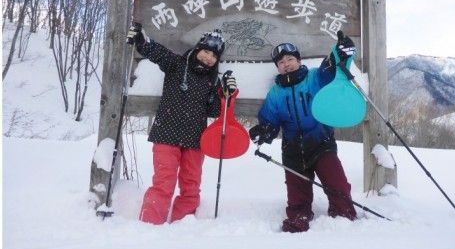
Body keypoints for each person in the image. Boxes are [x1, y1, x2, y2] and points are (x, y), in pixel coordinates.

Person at [127, 26, 238, 225]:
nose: (208, 57)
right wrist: (141, 41)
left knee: (191, 186)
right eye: (206, 51)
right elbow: (158, 53)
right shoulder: (177, 64)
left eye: (214, 55)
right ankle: (149, 226)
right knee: (163, 183)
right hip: (166, 135)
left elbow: (214, 111)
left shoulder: (212, 81)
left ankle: (182, 228)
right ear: (197, 49)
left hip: (195, 140)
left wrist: (225, 92)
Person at [249, 33, 358, 233]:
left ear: (298, 60)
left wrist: (339, 53)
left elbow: (330, 68)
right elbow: (270, 118)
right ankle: (299, 217)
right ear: (278, 67)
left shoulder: (315, 77)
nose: (286, 64)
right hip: (292, 151)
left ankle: (343, 216)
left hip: (321, 143)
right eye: (281, 62)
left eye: (290, 59)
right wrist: (265, 130)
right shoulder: (275, 93)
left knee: (337, 185)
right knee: (297, 198)